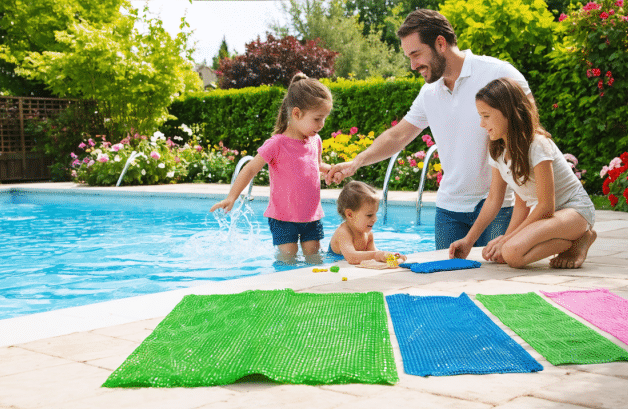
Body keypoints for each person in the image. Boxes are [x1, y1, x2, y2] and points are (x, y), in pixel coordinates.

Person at [326, 9, 535, 251]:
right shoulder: (429, 92)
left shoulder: (499, 73)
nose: (413, 65)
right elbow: (398, 135)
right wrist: (356, 162)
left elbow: (530, 131)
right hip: (449, 210)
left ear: (440, 43)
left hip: (500, 206)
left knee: (496, 279)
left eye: (416, 54)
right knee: (445, 280)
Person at [449, 77, 597, 268]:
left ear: (508, 112)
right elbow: (499, 199)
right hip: (551, 219)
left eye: (486, 116)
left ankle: (581, 238)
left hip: (574, 212)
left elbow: (546, 206)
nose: (481, 124)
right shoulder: (498, 150)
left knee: (511, 252)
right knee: (507, 254)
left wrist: (507, 240)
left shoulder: (537, 145)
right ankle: (575, 241)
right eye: (480, 116)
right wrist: (469, 240)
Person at [210, 73, 332, 262]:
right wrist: (231, 197)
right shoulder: (277, 144)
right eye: (317, 119)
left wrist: (331, 170)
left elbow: (316, 165)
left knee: (314, 258)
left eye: (324, 118)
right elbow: (250, 169)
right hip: (283, 218)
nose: (322, 124)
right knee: (287, 259)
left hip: (311, 215)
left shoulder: (315, 141)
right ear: (296, 113)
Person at [328, 181, 407, 265]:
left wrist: (391, 256)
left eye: (375, 214)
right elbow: (352, 257)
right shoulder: (343, 232)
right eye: (369, 215)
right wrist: (378, 255)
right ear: (350, 214)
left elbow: (374, 254)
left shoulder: (368, 235)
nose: (375, 219)